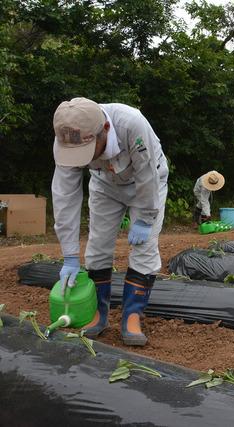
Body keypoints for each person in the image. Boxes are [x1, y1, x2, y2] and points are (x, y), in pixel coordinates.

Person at [51, 97, 168, 346]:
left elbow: (147, 174)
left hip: (146, 183)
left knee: (144, 247)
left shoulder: (132, 125)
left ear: (104, 130)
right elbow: (64, 197)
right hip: (105, 183)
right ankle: (98, 313)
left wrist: (146, 218)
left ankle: (132, 315)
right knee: (98, 246)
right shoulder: (67, 137)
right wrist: (70, 255)